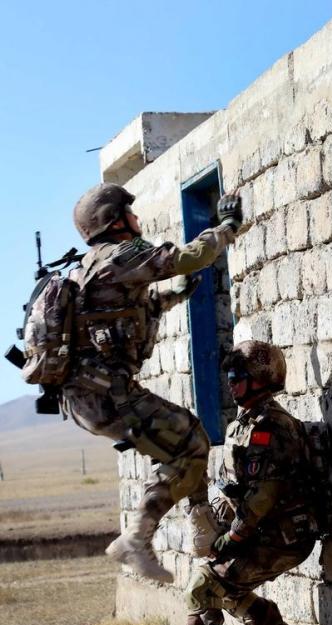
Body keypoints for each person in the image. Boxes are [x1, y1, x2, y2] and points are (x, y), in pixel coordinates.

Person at [63, 183, 243, 583]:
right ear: (115, 221)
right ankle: (137, 539)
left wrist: (173, 296)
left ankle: (202, 524)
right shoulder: (125, 254)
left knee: (189, 437)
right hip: (108, 394)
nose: (138, 220)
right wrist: (227, 226)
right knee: (191, 444)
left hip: (87, 399)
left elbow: (123, 315)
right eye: (131, 213)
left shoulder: (89, 266)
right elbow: (191, 256)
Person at [134, 340, 321, 625]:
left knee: (206, 586)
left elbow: (264, 496)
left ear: (261, 380)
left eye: (238, 377)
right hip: (266, 532)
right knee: (224, 587)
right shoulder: (249, 422)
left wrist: (230, 538)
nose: (231, 385)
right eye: (230, 377)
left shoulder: (270, 426)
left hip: (282, 536)